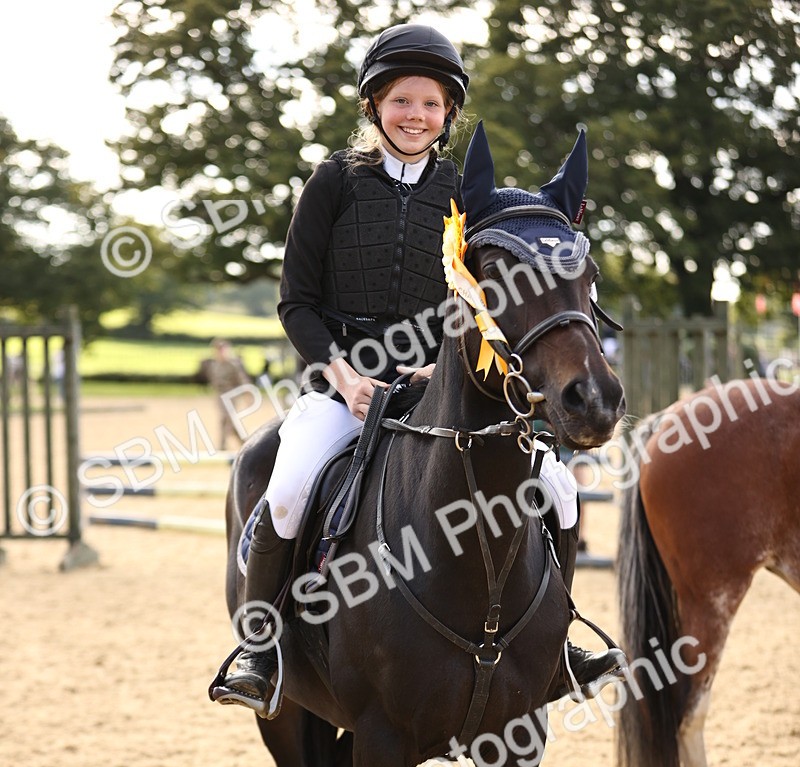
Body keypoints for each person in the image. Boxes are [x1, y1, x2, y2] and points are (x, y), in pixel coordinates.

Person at [211, 23, 625, 718]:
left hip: (440, 386)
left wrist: (444, 366)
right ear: (375, 105)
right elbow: (296, 302)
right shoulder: (332, 182)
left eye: (431, 105)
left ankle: (559, 643)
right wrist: (341, 374)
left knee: (557, 489)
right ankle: (262, 649)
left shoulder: (468, 197)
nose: (417, 116)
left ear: (448, 114)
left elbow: (482, 298)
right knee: (286, 486)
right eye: (403, 101)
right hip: (343, 386)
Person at [206, 339, 250, 450]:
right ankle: (243, 442)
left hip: (231, 395)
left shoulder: (233, 364)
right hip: (220, 395)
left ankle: (223, 446)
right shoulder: (214, 365)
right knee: (228, 420)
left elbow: (242, 380)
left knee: (227, 418)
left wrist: (247, 394)